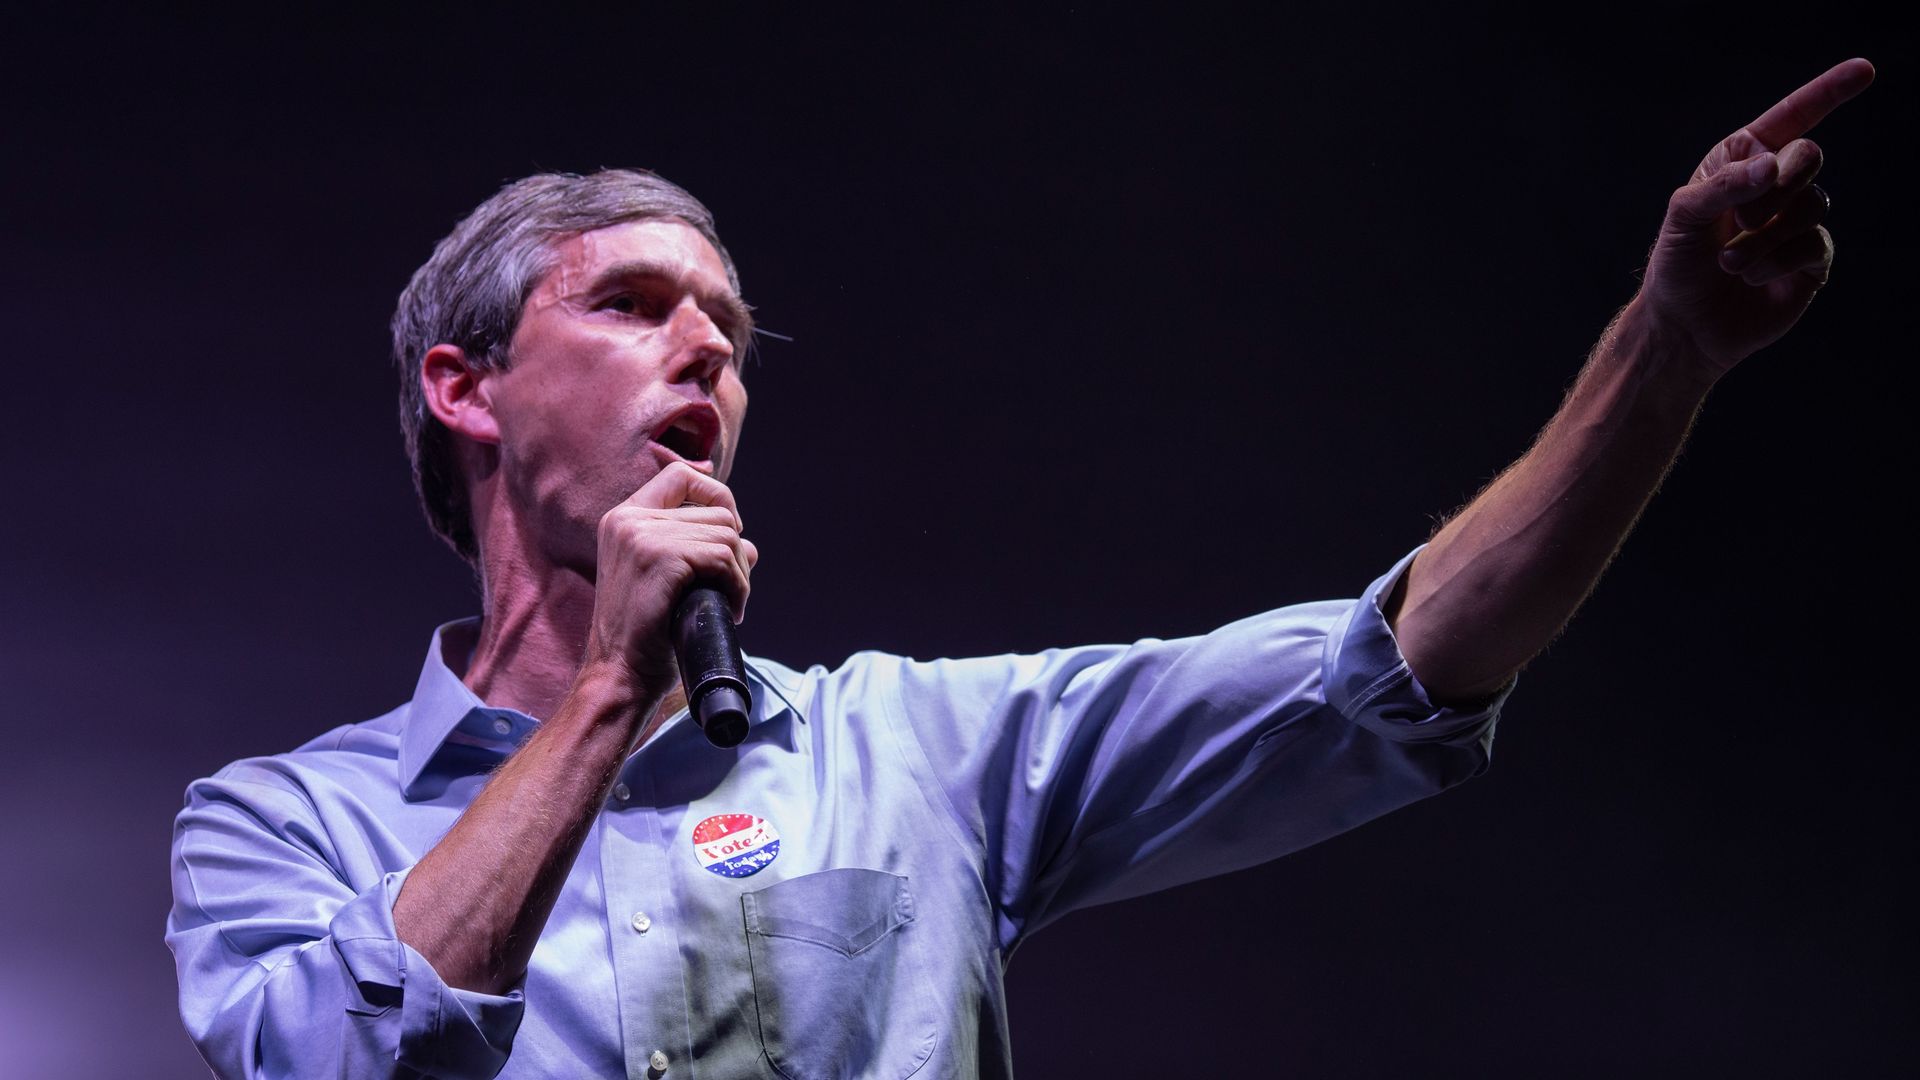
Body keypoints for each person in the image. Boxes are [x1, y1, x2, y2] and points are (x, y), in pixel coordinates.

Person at [166, 59, 1874, 1079]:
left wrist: (1669, 349)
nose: (708, 353)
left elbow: (1403, 664)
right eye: (630, 305)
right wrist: (612, 689)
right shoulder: (275, 826)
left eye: (733, 332)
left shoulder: (920, 756)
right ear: (463, 391)